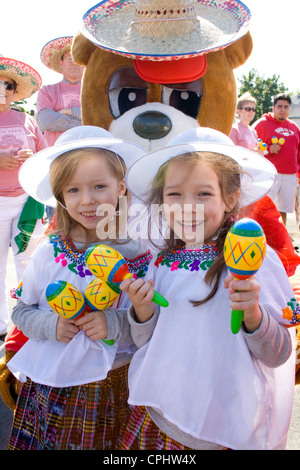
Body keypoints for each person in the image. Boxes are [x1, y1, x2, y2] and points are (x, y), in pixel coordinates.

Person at [119, 127, 297, 450]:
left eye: (203, 194)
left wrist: (254, 315)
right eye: (174, 194)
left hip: (223, 431)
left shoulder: (256, 261)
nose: (188, 206)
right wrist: (142, 312)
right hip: (161, 421)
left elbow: (280, 353)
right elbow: (145, 341)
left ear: (230, 197)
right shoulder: (161, 263)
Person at [6, 125, 150, 450]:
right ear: (60, 196)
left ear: (121, 187)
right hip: (51, 385)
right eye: (73, 190)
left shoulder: (139, 256)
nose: (87, 200)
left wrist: (113, 323)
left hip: (113, 384)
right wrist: (49, 324)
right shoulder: (48, 252)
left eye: (99, 186)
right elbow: (21, 310)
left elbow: (149, 327)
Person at [0, 56, 48, 343]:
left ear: (15, 91)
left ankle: (27, 324)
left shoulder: (27, 120)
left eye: (8, 85)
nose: (2, 90)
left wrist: (32, 159)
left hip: (27, 202)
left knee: (28, 263)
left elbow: (45, 157)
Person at [252, 93, 300, 226]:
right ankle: (263, 238)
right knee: (265, 209)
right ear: (273, 108)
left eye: (286, 107)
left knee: (282, 211)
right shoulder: (262, 124)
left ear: (290, 109)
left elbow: (298, 153)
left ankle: (281, 241)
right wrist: (267, 149)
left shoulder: (294, 127)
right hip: (269, 174)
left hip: (290, 176)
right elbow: (250, 147)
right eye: (279, 106)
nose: (282, 110)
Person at [37, 36, 84, 146]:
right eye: (69, 59)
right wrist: (84, 122)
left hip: (87, 151)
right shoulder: (47, 91)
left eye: (78, 59)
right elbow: (46, 121)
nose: (74, 63)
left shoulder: (93, 91)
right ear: (60, 63)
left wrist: (69, 111)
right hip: (56, 153)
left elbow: (99, 122)